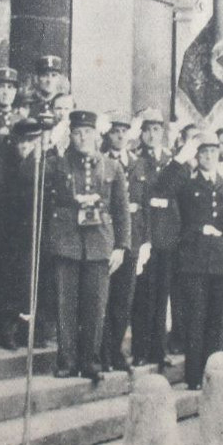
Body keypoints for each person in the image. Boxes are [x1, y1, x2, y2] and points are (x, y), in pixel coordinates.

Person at [43, 110, 130, 383]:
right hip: (66, 240)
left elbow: (122, 210)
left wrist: (121, 246)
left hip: (99, 244)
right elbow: (28, 174)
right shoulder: (57, 163)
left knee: (95, 305)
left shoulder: (112, 167)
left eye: (88, 133)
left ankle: (90, 361)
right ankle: (67, 360)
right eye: (78, 133)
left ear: (96, 135)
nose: (83, 137)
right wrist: (46, 145)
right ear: (71, 135)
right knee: (65, 304)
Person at [164, 131, 223, 390]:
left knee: (218, 320)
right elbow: (166, 189)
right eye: (203, 152)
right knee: (195, 319)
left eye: (213, 152)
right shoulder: (188, 185)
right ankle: (194, 376)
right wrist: (198, 230)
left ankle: (213, 375)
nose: (208, 156)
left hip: (221, 260)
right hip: (193, 260)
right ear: (197, 155)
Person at [0, 117, 49, 349]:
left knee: (36, 280)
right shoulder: (8, 167)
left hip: (37, 232)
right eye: (21, 142)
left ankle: (33, 330)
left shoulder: (44, 165)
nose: (25, 147)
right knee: (11, 281)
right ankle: (7, 327)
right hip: (12, 234)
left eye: (30, 142)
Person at [128, 109, 177, 370]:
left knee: (162, 295)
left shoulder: (171, 160)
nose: (151, 134)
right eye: (147, 129)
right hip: (145, 237)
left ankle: (160, 349)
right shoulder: (136, 160)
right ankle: (140, 350)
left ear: (163, 133)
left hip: (167, 237)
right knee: (143, 296)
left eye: (156, 129)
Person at [98, 111, 141, 372]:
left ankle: (115, 351)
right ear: (108, 134)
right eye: (115, 131)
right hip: (104, 239)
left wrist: (143, 242)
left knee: (123, 301)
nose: (120, 135)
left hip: (131, 241)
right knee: (103, 299)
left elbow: (144, 205)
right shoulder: (100, 162)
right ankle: (102, 352)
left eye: (124, 131)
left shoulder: (138, 164)